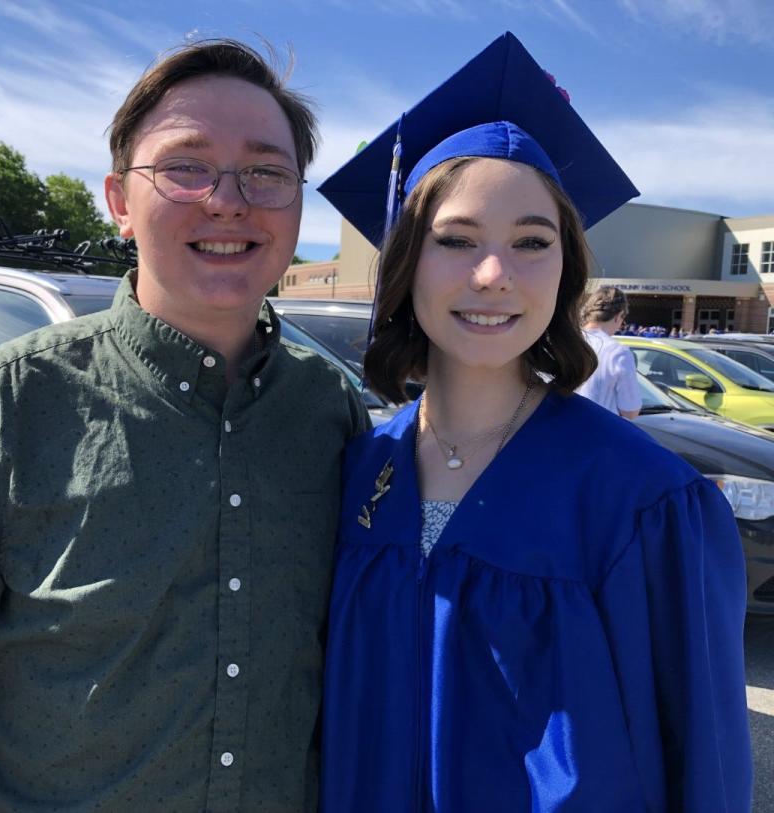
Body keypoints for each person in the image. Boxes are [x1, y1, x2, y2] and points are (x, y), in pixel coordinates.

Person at [0, 40, 369, 812]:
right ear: (120, 200)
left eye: (266, 171)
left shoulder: (331, 410)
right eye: (186, 165)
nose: (228, 198)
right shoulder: (7, 403)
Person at [317, 32, 752, 812]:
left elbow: (709, 761)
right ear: (407, 259)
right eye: (456, 240)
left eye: (531, 242)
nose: (495, 275)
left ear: (566, 270)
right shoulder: (360, 469)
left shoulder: (643, 501)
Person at [576, 285, 642, 419]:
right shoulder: (618, 353)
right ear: (618, 316)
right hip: (597, 432)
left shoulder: (563, 343)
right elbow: (630, 411)